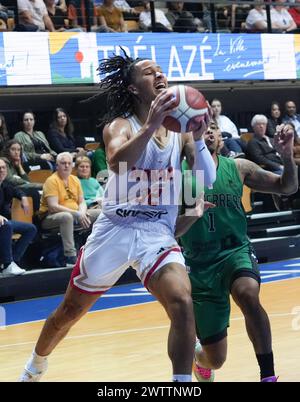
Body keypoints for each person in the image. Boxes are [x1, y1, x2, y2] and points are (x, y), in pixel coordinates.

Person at [19, 51, 216, 382]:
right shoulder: (120, 125)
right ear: (134, 88)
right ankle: (35, 366)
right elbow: (116, 161)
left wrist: (197, 139)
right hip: (115, 229)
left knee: (182, 302)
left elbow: (203, 179)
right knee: (68, 312)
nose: (158, 75)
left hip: (156, 231)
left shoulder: (181, 134)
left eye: (160, 70)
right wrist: (153, 122)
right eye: (148, 73)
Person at [178, 121, 298, 382]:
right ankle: (201, 360)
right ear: (187, 138)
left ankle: (268, 375)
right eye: (199, 128)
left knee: (247, 293)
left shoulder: (238, 167)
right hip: (200, 265)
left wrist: (287, 155)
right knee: (216, 359)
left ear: (221, 136)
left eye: (212, 126)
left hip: (235, 251)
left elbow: (286, 187)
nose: (207, 130)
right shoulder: (180, 173)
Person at [37, 152, 99, 267]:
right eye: (63, 163)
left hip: (75, 214)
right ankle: (70, 256)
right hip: (50, 217)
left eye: (69, 163)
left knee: (100, 213)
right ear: (57, 166)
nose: (66, 166)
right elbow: (53, 206)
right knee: (67, 217)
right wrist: (77, 214)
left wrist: (82, 212)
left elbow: (82, 201)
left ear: (72, 166)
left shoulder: (75, 180)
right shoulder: (52, 180)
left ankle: (95, 250)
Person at [0, 158, 37, 276]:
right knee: (7, 225)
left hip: (4, 222)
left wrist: (23, 197)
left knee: (31, 229)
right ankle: (7, 265)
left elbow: (17, 190)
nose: (1, 170)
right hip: (4, 223)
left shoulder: (5, 185)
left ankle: (12, 261)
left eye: (3, 168)